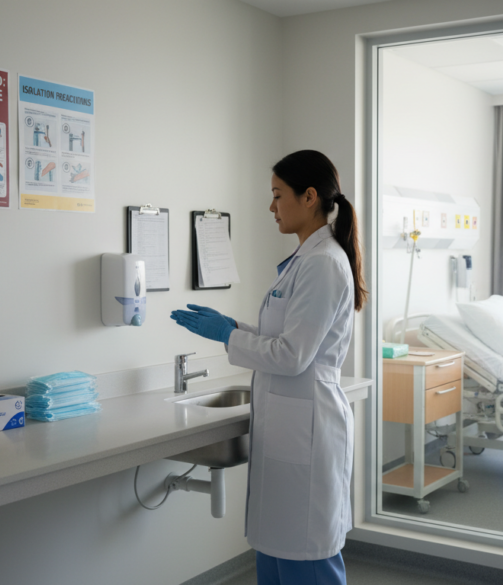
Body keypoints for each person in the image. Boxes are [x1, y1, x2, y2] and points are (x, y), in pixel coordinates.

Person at [171, 150, 367, 585]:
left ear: (310, 196)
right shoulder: (305, 261)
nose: (271, 207)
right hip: (289, 428)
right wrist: (232, 327)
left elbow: (292, 356)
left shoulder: (322, 264)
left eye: (278, 195)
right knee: (277, 558)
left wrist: (227, 336)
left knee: (308, 562)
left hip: (308, 432)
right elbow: (282, 338)